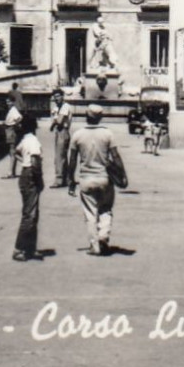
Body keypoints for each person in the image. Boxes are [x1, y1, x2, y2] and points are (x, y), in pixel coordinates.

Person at [66, 103, 118, 256]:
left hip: (86, 179)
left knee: (90, 213)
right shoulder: (108, 134)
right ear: (100, 118)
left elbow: (72, 160)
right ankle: (103, 236)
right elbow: (115, 156)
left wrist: (70, 180)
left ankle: (94, 246)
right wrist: (122, 175)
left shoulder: (77, 134)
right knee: (106, 209)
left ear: (86, 116)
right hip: (104, 178)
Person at [12, 112, 43, 261]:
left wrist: (23, 162)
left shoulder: (24, 140)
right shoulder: (33, 141)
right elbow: (35, 161)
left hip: (25, 173)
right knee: (30, 215)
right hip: (31, 174)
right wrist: (39, 178)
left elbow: (15, 152)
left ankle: (30, 247)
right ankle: (19, 248)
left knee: (32, 212)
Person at [48, 90, 73, 188]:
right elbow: (55, 121)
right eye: (55, 97)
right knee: (62, 157)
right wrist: (55, 121)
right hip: (58, 132)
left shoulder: (65, 106)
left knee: (59, 157)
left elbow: (59, 121)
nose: (56, 99)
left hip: (63, 131)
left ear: (63, 96)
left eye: (58, 96)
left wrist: (54, 121)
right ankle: (66, 179)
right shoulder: (56, 108)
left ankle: (59, 180)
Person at [3, 92, 24, 178]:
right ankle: (12, 172)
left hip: (11, 131)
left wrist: (15, 125)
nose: (8, 103)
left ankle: (24, 163)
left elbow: (19, 118)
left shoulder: (13, 110)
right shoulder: (11, 110)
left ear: (13, 102)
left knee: (12, 152)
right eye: (7, 102)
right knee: (12, 152)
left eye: (9, 102)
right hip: (9, 130)